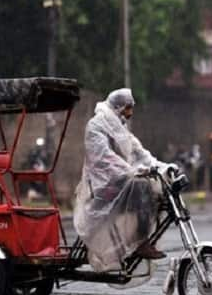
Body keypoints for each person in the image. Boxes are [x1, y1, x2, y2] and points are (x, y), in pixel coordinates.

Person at [74, 88, 175, 272]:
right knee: (143, 188)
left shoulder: (119, 127)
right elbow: (103, 158)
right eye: (128, 108)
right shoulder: (96, 126)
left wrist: (162, 166)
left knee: (156, 190)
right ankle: (140, 242)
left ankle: (138, 239)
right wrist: (130, 171)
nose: (130, 113)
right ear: (117, 107)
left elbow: (139, 152)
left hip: (119, 180)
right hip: (100, 185)